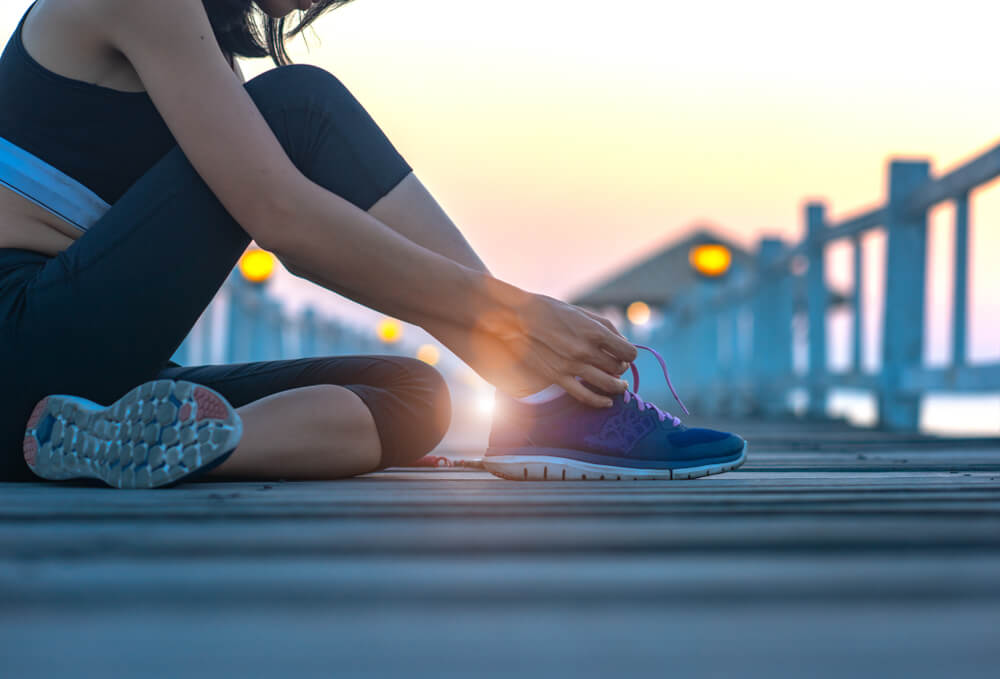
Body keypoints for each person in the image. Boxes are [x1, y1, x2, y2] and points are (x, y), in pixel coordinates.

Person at [0, 0, 746, 489]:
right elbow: (285, 219)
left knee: (415, 392)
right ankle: (539, 389)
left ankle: (157, 444)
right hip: (20, 339)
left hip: (52, 404)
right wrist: (515, 317)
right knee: (301, 106)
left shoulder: (196, 47)